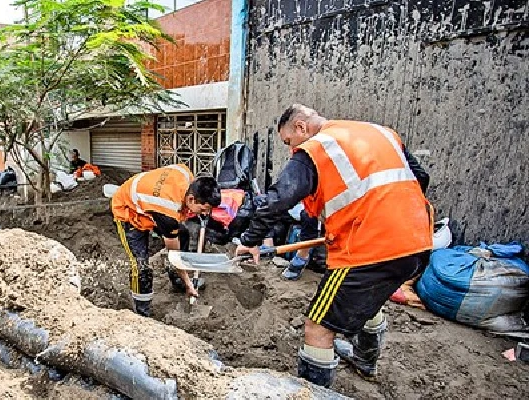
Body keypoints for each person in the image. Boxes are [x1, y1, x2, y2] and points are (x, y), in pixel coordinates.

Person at [235, 105, 432, 388]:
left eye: (288, 141)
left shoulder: (317, 148)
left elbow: (279, 199)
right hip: (416, 240)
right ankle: (365, 361)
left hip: (368, 250)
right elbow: (420, 178)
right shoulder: (381, 133)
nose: (290, 149)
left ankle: (311, 393)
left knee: (317, 328)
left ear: (300, 128)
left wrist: (250, 241)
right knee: (368, 297)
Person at [111, 164, 221, 317]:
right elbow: (174, 253)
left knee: (182, 234)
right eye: (203, 209)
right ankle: (142, 314)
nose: (205, 214)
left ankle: (178, 281)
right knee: (141, 266)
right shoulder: (167, 212)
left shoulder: (187, 177)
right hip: (128, 210)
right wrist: (189, 283)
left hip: (148, 203)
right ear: (191, 199)